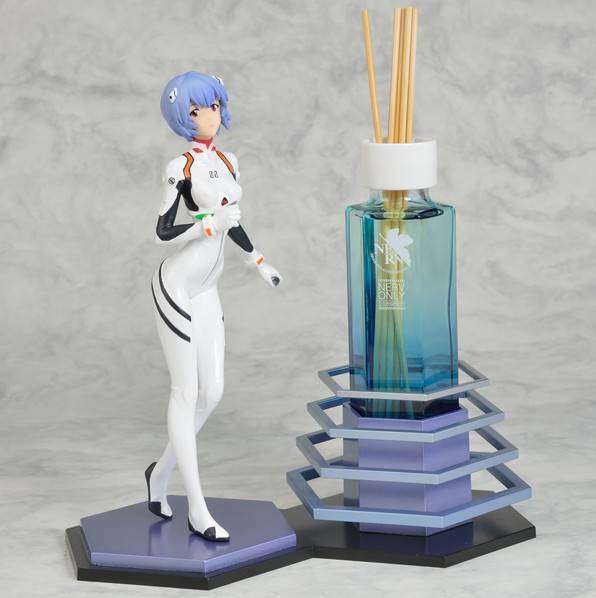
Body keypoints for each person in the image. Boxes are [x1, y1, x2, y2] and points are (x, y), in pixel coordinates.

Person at [145, 71, 282, 542]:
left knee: (214, 392)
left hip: (209, 286)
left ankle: (160, 473)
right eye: (198, 109)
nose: (210, 115)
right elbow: (162, 232)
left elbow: (232, 221)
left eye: (215, 106)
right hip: (177, 285)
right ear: (183, 117)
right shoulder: (179, 167)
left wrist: (259, 261)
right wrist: (206, 224)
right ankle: (197, 509)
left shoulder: (227, 159)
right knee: (185, 392)